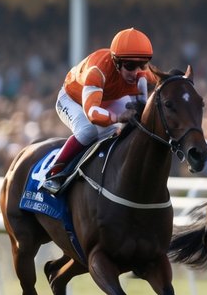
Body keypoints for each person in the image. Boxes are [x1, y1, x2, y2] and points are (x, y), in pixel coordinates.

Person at [39, 28, 160, 194]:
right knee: (88, 131)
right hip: (74, 100)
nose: (137, 72)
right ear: (116, 63)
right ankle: (55, 173)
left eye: (142, 65)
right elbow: (93, 113)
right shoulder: (97, 71)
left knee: (135, 123)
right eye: (130, 66)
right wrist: (118, 117)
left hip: (105, 100)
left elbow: (168, 81)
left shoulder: (142, 73)